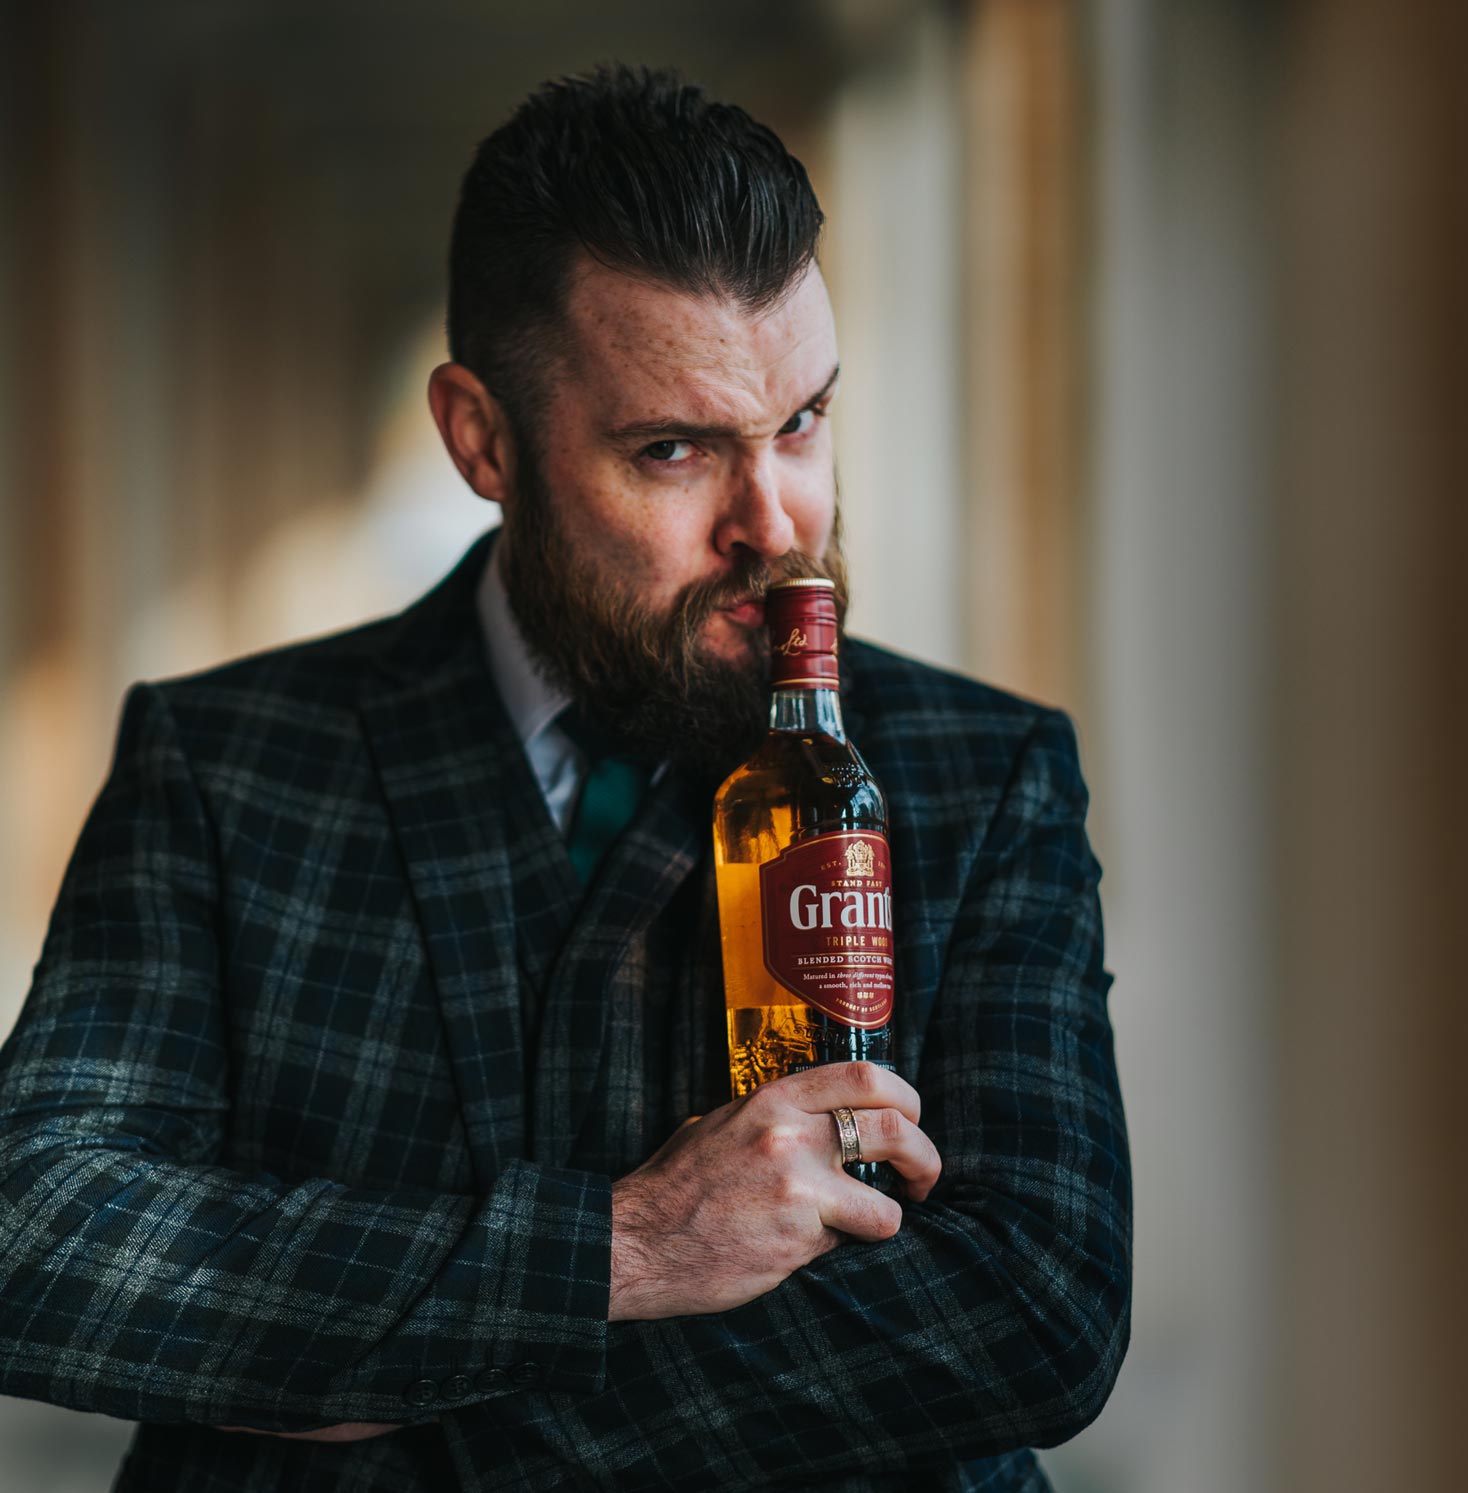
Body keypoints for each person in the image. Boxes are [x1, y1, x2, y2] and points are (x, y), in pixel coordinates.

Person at [0, 65, 1130, 1491]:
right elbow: (40, 1237)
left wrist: (365, 1398)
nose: (775, 523)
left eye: (804, 422)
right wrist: (630, 1249)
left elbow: (1038, 1308)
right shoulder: (227, 763)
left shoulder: (986, 774)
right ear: (482, 437)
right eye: (674, 449)